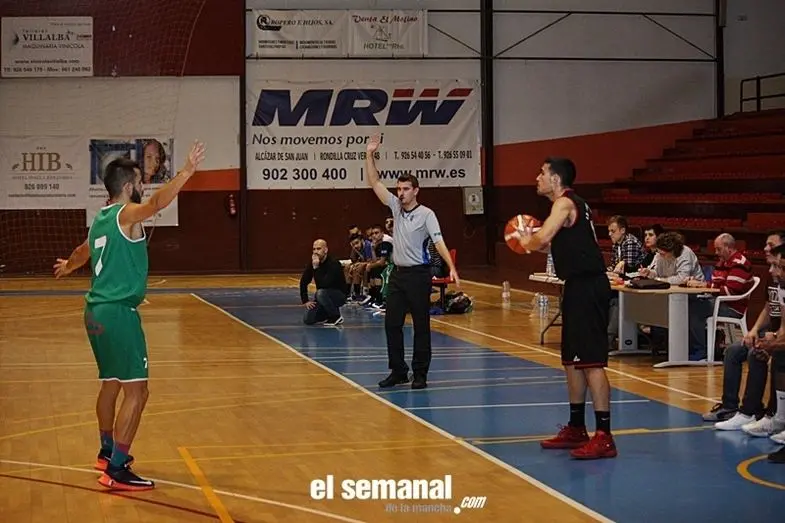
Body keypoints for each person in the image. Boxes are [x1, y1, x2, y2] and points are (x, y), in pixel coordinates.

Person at [53, 141, 206, 490]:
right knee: (138, 392)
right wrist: (186, 172)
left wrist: (68, 266)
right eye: (138, 182)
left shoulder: (100, 219)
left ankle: (106, 450)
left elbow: (82, 251)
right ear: (126, 187)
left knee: (111, 383)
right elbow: (156, 204)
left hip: (95, 311)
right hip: (118, 312)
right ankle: (117, 468)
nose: (142, 187)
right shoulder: (125, 214)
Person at [509, 157, 616, 459]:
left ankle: (605, 436)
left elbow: (541, 238)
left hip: (589, 285)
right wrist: (528, 240)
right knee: (572, 360)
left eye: (542, 173)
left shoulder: (565, 203)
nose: (537, 178)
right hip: (575, 286)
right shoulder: (565, 207)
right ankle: (576, 427)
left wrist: (524, 239)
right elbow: (548, 244)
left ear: (556, 179)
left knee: (591, 362)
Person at [364, 134, 459, 390]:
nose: (401, 193)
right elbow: (374, 182)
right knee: (392, 323)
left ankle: (420, 373)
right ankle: (398, 371)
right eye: (399, 189)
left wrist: (451, 266)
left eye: (406, 189)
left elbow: (439, 241)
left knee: (421, 326)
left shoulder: (427, 214)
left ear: (415, 191)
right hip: (398, 274)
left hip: (418, 275)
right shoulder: (395, 207)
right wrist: (369, 154)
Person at [300, 239, 347, 326]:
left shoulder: (334, 263)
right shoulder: (313, 262)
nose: (315, 252)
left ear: (325, 250)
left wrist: (316, 268)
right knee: (308, 319)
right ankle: (328, 313)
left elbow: (324, 284)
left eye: (318, 249)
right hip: (323, 296)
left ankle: (336, 316)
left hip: (339, 295)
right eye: (314, 249)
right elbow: (304, 281)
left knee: (320, 293)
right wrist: (305, 300)